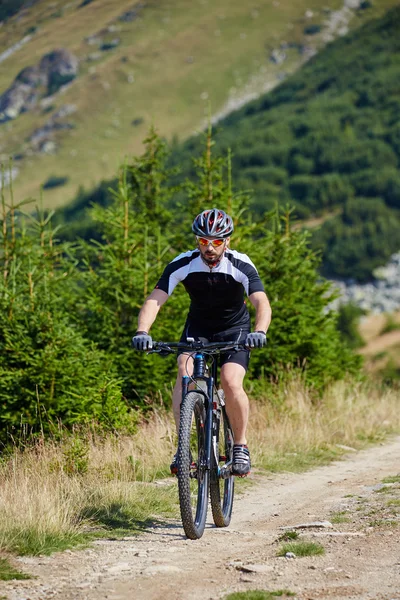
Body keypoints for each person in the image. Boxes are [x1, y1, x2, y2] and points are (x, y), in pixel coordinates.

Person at [132, 208, 272, 476]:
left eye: (217, 241)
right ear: (196, 241)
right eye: (203, 241)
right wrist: (142, 331)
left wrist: (260, 331)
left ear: (227, 241)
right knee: (184, 373)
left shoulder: (240, 264)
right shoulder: (183, 263)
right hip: (199, 328)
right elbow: (155, 299)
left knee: (230, 381)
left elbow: (261, 302)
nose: (209, 247)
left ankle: (240, 445)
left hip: (235, 330)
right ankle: (183, 448)